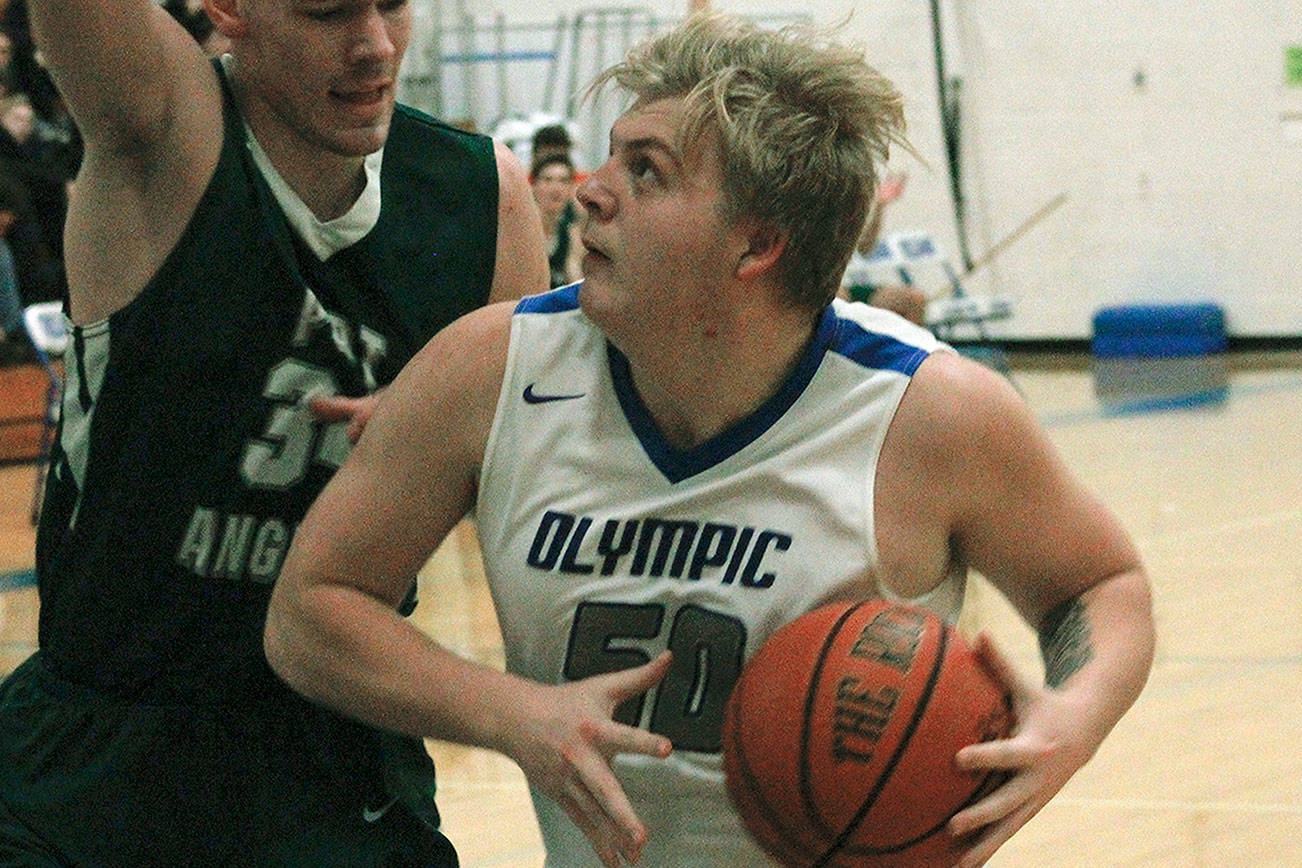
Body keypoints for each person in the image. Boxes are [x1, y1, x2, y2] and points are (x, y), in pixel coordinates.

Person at [266, 12, 1155, 868]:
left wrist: (1072, 716)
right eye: (610, 154)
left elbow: (1097, 586)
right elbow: (312, 609)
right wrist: (514, 714)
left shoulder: (931, 414)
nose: (591, 190)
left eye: (646, 172)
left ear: (758, 243)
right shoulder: (490, 368)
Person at [0, 0, 547, 864]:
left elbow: (536, 489)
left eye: (393, 4)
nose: (373, 45)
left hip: (339, 754)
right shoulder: (160, 126)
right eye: (327, 11)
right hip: (105, 762)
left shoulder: (487, 198)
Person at [840, 171, 930, 326]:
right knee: (835, 299)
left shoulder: (839, 215)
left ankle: (907, 349)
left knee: (915, 299)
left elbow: (864, 247)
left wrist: (880, 205)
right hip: (833, 292)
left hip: (852, 289)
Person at [531, 150, 585, 288]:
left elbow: (575, 279)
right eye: (548, 180)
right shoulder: (522, 230)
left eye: (563, 181)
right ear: (534, 185)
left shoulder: (571, 232)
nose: (556, 188)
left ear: (572, 188)